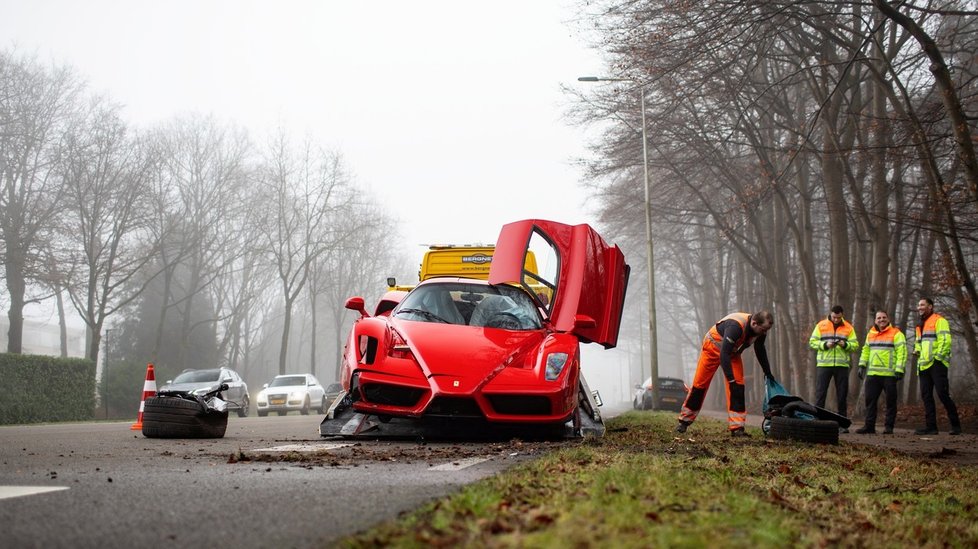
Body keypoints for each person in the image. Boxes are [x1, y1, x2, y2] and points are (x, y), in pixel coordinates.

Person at [676, 311, 776, 437]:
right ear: (754, 323)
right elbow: (724, 355)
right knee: (699, 386)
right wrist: (730, 379)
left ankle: (737, 428)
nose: (764, 333)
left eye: (766, 330)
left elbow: (760, 349)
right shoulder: (735, 327)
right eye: (763, 330)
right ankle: (684, 422)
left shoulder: (759, 329)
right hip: (712, 348)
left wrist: (767, 372)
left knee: (738, 387)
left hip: (731, 352)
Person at [914, 298, 961, 435]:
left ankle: (956, 426)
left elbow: (945, 340)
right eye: (918, 305)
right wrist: (917, 350)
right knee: (926, 396)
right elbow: (919, 342)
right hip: (923, 366)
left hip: (937, 364)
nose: (919, 307)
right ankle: (931, 427)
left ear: (930, 306)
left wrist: (938, 358)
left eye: (922, 304)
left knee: (942, 394)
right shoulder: (919, 325)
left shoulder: (940, 320)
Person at [809, 305, 859, 432]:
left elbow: (855, 345)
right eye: (834, 317)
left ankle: (842, 424)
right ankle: (817, 422)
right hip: (824, 365)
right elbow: (812, 342)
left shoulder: (848, 327)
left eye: (838, 317)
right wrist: (825, 345)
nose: (836, 320)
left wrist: (845, 345)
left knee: (842, 395)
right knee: (820, 394)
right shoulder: (821, 325)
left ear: (842, 315)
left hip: (842, 366)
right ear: (830, 314)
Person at [855, 311, 906, 435]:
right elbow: (865, 350)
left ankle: (889, 427)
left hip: (889, 375)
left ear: (888, 319)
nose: (881, 320)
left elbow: (902, 352)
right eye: (879, 318)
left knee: (890, 402)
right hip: (873, 374)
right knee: (870, 401)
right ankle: (869, 426)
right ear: (875, 320)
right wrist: (862, 365)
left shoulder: (896, 333)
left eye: (884, 317)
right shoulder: (871, 334)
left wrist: (899, 369)